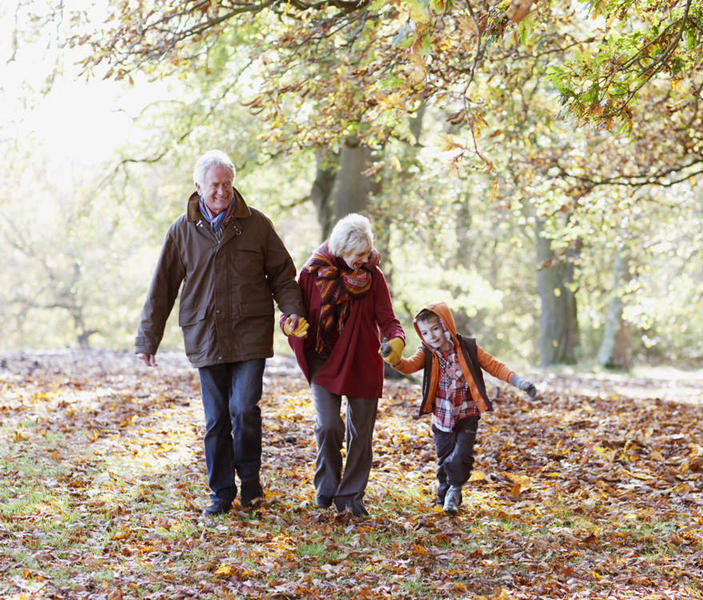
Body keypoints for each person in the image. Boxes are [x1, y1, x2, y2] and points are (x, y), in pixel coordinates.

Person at [135, 149, 308, 516]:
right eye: (215, 185)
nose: (222, 191)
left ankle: (250, 482)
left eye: (228, 184)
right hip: (205, 334)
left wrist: (292, 311)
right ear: (198, 186)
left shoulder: (257, 225)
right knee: (216, 419)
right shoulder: (181, 231)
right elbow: (162, 288)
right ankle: (221, 492)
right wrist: (147, 340)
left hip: (249, 333)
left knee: (245, 409)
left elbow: (282, 276)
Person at [288, 213, 405, 517]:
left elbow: (388, 320)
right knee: (328, 426)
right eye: (358, 255)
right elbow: (293, 314)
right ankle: (326, 488)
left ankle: (351, 496)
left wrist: (397, 340)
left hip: (363, 359)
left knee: (361, 432)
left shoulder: (373, 276)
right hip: (323, 360)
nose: (364, 261)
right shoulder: (312, 274)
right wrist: (291, 325)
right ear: (340, 249)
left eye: (368, 254)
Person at [385, 302, 537, 515]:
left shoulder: (467, 348)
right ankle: (446, 496)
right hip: (442, 417)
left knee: (461, 456)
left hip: (467, 413)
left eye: (436, 329)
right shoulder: (427, 353)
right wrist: (394, 360)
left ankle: (455, 488)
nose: (432, 336)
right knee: (444, 459)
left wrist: (520, 382)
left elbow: (495, 366)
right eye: (426, 333)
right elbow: (408, 366)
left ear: (446, 324)